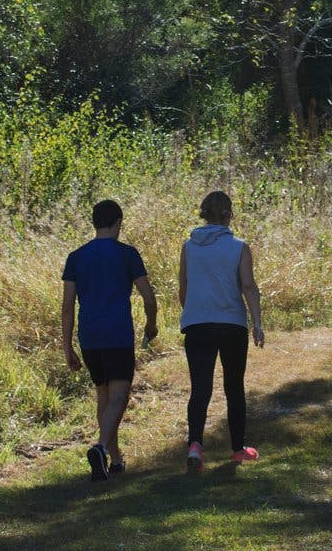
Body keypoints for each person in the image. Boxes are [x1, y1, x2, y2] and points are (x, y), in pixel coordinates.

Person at [60, 198, 158, 481]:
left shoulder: (76, 257)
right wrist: (151, 325)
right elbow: (148, 298)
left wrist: (67, 347)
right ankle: (101, 448)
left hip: (89, 335)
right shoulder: (127, 254)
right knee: (119, 394)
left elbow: (68, 306)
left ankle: (114, 460)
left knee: (103, 393)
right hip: (117, 333)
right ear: (118, 223)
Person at [178, 188, 265, 471]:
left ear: (203, 214)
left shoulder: (189, 247)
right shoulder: (239, 246)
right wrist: (257, 324)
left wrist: (192, 312)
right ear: (230, 215)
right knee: (233, 387)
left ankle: (195, 446)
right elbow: (248, 287)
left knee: (200, 388)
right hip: (231, 324)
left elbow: (184, 288)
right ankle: (238, 450)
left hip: (198, 324)